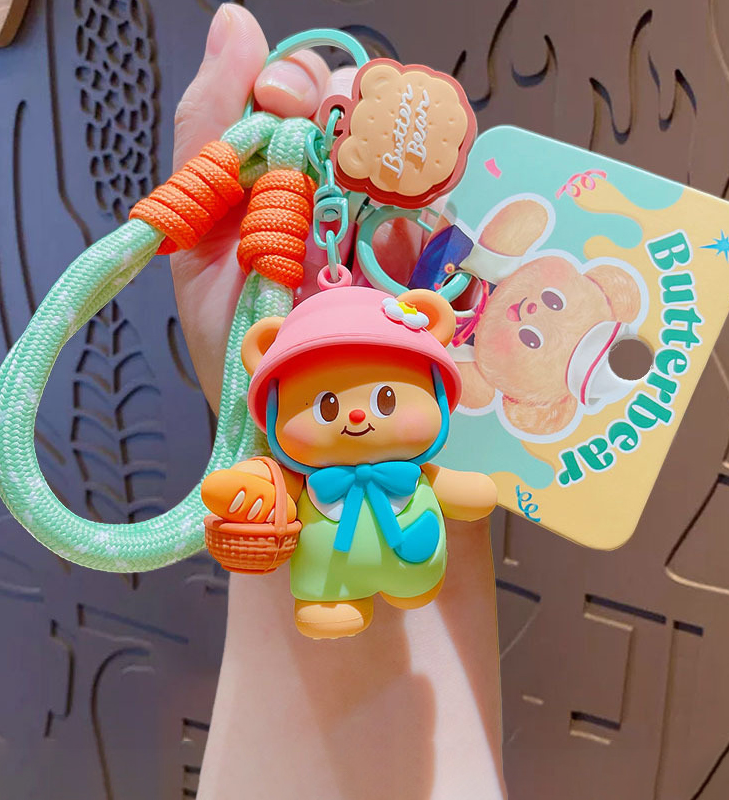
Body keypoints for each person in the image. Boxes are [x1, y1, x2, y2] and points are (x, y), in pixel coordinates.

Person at [172, 6, 506, 797]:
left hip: (415, 572)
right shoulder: (289, 454)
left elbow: (457, 488)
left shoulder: (412, 452)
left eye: (384, 396)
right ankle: (334, 606)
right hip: (321, 585)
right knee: (327, 590)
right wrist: (248, 447)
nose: (357, 415)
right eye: (327, 406)